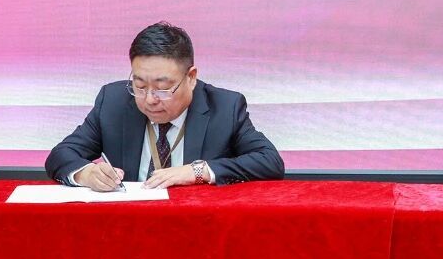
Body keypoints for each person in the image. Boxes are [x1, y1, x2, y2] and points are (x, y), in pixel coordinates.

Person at [46, 22, 285, 190]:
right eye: (140, 85)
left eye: (162, 88)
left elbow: (269, 161)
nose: (150, 99)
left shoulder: (224, 107)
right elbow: (61, 155)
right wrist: (86, 173)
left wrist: (197, 172)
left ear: (191, 77)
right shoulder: (113, 101)